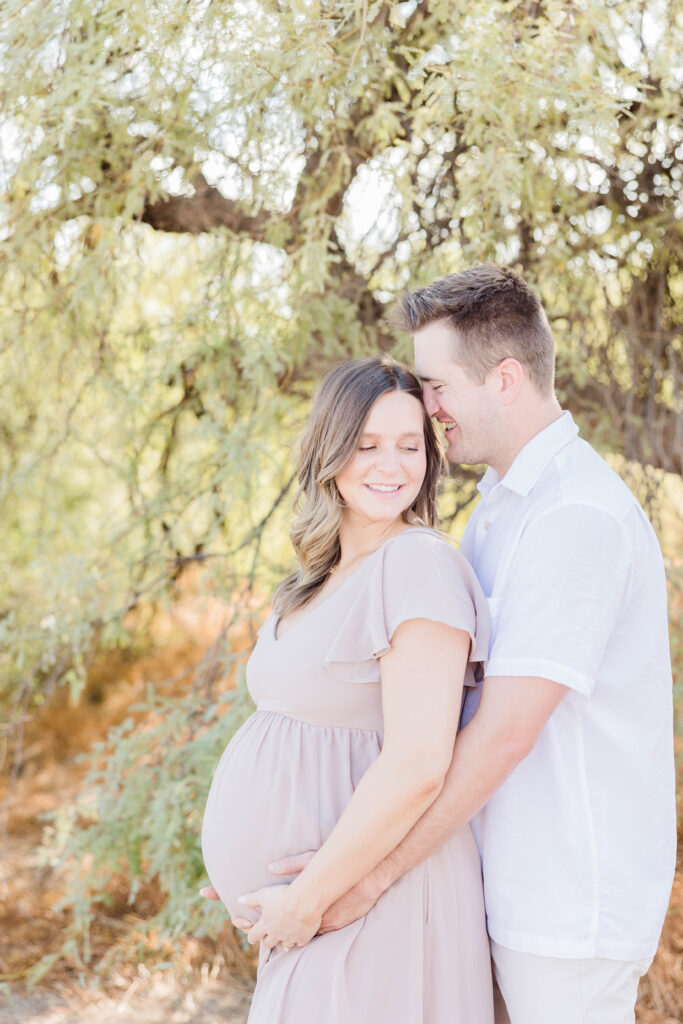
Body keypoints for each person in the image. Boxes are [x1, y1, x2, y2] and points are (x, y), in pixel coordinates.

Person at [221, 265, 676, 1024]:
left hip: (563, 904)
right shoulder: (501, 505)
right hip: (499, 883)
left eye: (435, 387)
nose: (430, 411)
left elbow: (500, 733)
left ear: (502, 379)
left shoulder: (575, 516)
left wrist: (360, 882)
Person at [200, 356, 495, 1022]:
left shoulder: (416, 564)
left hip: (368, 902)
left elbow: (419, 765)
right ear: (328, 449)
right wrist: (247, 867)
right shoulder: (321, 573)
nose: (390, 465)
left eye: (408, 445)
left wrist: (306, 899)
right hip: (312, 901)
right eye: (365, 444)